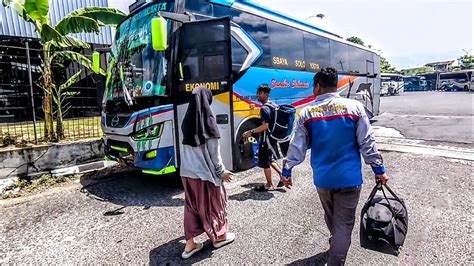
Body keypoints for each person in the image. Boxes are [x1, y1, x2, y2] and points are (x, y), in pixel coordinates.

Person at [281, 67, 389, 265]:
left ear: (318, 87)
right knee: (344, 223)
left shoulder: (307, 113)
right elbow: (367, 142)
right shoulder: (355, 108)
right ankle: (337, 255)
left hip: (323, 179)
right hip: (350, 179)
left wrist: (287, 170)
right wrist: (378, 169)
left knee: (332, 218)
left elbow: (297, 146)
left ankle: (335, 248)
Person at [180, 87, 235, 259]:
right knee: (214, 204)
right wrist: (222, 173)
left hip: (187, 173)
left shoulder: (186, 122)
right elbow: (214, 154)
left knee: (191, 207)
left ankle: (190, 245)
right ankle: (219, 237)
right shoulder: (208, 122)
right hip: (205, 175)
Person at [242, 84, 284, 191]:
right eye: (258, 93)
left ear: (266, 94)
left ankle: (269, 184)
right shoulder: (273, 105)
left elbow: (266, 126)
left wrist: (251, 131)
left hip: (266, 140)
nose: (258, 96)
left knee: (265, 162)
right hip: (272, 138)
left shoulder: (264, 109)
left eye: (260, 93)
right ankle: (283, 176)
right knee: (270, 159)